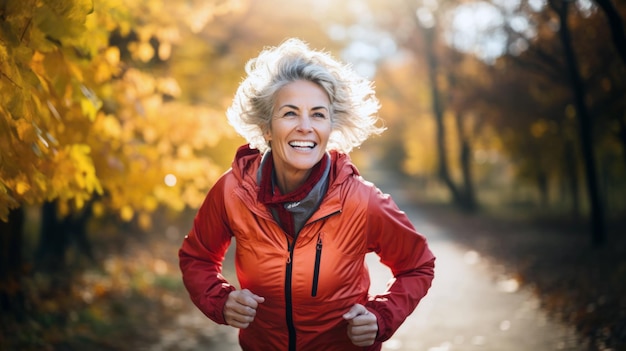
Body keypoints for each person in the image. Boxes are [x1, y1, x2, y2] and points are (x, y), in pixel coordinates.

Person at [178, 38, 435, 351]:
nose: (305, 127)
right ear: (266, 129)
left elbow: (418, 265)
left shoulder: (362, 201)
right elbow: (197, 257)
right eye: (289, 113)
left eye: (318, 114)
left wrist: (381, 318)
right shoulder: (232, 192)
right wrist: (221, 300)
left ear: (330, 127)